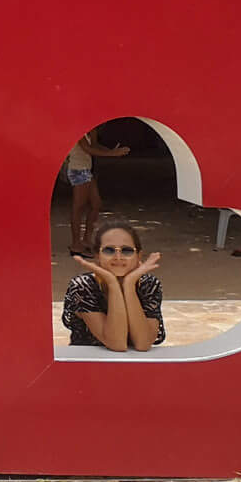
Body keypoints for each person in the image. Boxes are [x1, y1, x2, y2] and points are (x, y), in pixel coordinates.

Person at [62, 220, 164, 351]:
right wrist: (112, 283)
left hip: (135, 366)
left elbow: (143, 344)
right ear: (97, 256)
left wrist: (129, 285)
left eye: (126, 251)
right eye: (109, 250)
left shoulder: (148, 284)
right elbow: (117, 344)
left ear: (138, 256)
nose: (118, 257)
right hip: (89, 366)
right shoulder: (83, 286)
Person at [64, 129, 129, 257]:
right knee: (78, 207)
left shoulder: (91, 130)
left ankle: (86, 240)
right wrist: (113, 154)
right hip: (78, 170)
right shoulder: (77, 131)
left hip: (86, 170)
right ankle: (76, 244)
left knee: (96, 204)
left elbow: (94, 146)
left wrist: (111, 151)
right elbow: (88, 149)